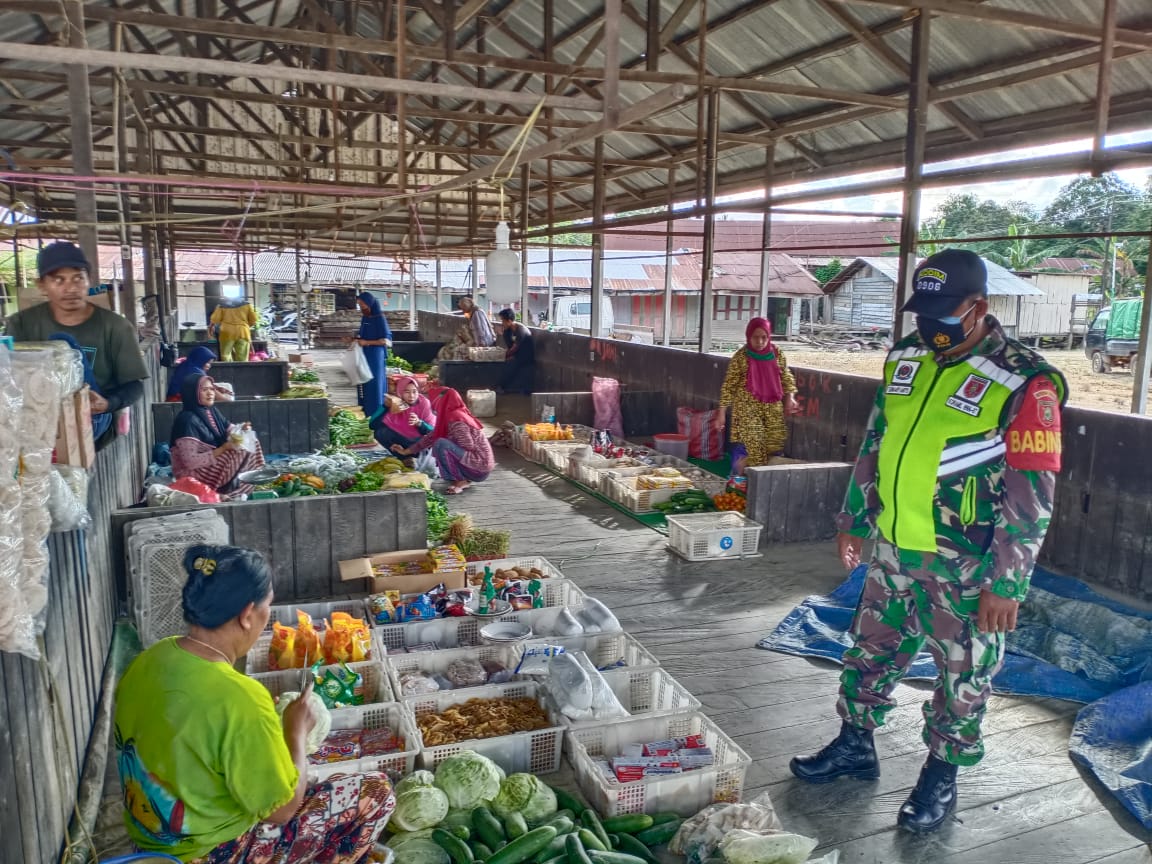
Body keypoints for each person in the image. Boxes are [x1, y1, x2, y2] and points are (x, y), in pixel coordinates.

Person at [789, 249, 1067, 834]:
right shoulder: (906, 358)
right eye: (924, 311)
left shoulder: (1024, 379)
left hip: (965, 563)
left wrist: (1007, 582)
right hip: (893, 547)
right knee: (870, 650)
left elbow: (1032, 492)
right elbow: (876, 442)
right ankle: (855, 744)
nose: (930, 324)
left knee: (962, 675)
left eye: (944, 313)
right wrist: (855, 519)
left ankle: (941, 774)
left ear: (978, 309)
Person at [114, 544, 396, 863]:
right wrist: (296, 735)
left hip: (150, 841)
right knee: (376, 792)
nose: (267, 618)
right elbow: (282, 810)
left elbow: (192, 734)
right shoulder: (240, 697)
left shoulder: (150, 658)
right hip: (211, 853)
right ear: (247, 615)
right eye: (268, 607)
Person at [5, 241, 149, 442]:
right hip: (37, 420)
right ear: (42, 285)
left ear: (88, 280)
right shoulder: (21, 324)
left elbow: (134, 386)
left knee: (64, 345)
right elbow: (9, 381)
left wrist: (107, 403)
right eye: (58, 280)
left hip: (95, 421)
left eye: (77, 278)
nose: (70, 288)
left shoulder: (116, 327)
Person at [719, 317, 801, 472]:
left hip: (772, 405)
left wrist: (790, 397)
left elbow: (786, 376)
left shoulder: (776, 354)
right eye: (755, 337)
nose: (760, 341)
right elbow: (729, 386)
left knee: (774, 443)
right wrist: (721, 412)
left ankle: (744, 468)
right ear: (749, 336)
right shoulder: (741, 357)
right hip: (747, 407)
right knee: (755, 445)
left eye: (764, 337)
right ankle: (744, 480)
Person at [170, 373, 265, 497]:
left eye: (211, 389)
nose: (210, 393)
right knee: (237, 451)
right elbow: (190, 462)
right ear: (193, 393)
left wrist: (242, 429)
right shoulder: (187, 420)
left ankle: (245, 485)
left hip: (208, 463)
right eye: (204, 390)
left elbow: (230, 428)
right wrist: (224, 448)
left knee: (250, 440)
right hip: (192, 473)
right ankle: (226, 491)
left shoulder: (210, 410)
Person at [392, 388, 494, 494]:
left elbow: (468, 445)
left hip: (479, 468)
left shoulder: (456, 418)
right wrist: (406, 451)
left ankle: (460, 481)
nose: (432, 405)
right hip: (478, 467)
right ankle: (462, 479)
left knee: (441, 443)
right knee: (440, 442)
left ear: (441, 401)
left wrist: (449, 439)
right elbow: (429, 438)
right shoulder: (450, 416)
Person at [352, 291, 392, 424]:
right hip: (365, 355)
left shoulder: (379, 318)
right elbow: (364, 336)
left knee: (375, 386)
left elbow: (386, 341)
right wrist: (354, 340)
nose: (362, 308)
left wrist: (367, 343)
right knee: (365, 384)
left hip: (376, 356)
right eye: (360, 305)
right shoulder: (365, 318)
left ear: (370, 304)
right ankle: (367, 413)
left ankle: (377, 417)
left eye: (363, 305)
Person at [373, 375, 436, 454]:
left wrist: (419, 423)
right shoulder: (394, 402)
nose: (411, 396)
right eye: (406, 392)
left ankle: (412, 455)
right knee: (381, 433)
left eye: (414, 391)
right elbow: (372, 425)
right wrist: (385, 407)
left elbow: (433, 432)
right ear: (400, 392)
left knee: (429, 442)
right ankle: (403, 458)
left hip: (420, 443)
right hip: (401, 441)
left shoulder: (423, 403)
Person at [166, 346, 233, 403]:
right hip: (177, 401)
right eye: (208, 363)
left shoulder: (188, 364)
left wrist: (218, 388)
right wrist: (229, 402)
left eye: (210, 363)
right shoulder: (196, 372)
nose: (209, 366)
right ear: (200, 360)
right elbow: (213, 392)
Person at [497, 309, 535, 395]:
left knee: (510, 365)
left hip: (526, 356)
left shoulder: (521, 330)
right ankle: (502, 387)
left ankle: (502, 387)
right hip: (517, 355)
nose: (502, 323)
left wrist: (503, 356)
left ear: (509, 321)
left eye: (503, 320)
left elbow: (514, 348)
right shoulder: (507, 331)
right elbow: (510, 347)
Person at [209, 297, 258, 362]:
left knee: (226, 355)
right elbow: (253, 320)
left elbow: (215, 319)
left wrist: (211, 327)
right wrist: (245, 326)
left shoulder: (222, 306)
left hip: (226, 332)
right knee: (242, 356)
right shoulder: (247, 305)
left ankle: (229, 370)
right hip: (243, 332)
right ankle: (241, 370)